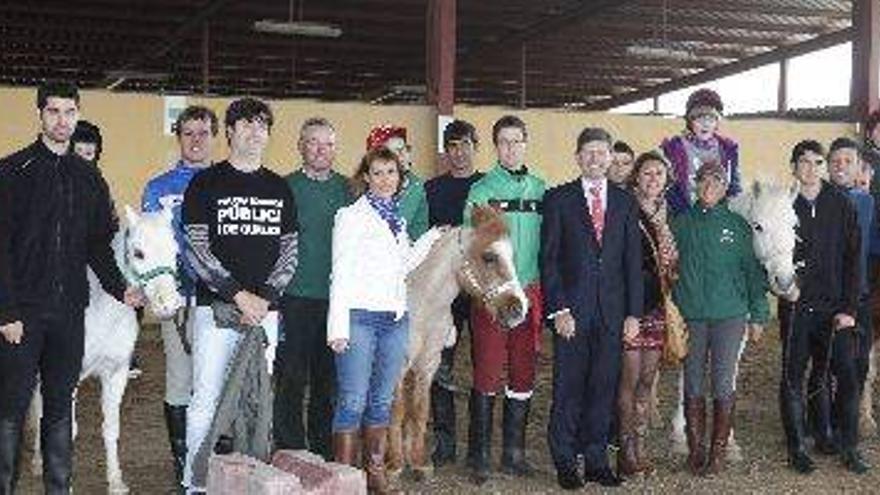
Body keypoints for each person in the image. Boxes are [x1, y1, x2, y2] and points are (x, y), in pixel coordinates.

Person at [0, 82, 142, 494]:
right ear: (40, 115)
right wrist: (6, 311)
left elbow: (98, 245)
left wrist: (120, 290)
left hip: (69, 314)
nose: (62, 120)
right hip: (22, 315)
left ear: (77, 114)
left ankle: (58, 489)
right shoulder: (12, 172)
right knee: (11, 410)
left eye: (69, 112)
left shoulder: (89, 179)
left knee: (60, 409)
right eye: (53, 112)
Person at [181, 98, 298, 493]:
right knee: (206, 401)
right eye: (246, 124)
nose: (254, 131)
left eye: (262, 125)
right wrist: (237, 295)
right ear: (229, 132)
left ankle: (249, 481)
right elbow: (196, 248)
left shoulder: (279, 187)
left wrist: (264, 298)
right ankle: (195, 483)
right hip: (215, 310)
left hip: (265, 313)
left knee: (255, 401)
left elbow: (289, 251)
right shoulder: (205, 183)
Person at [327, 147, 443, 493]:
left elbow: (404, 264)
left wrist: (431, 238)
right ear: (366, 177)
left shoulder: (397, 220)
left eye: (391, 173)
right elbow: (341, 272)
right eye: (377, 173)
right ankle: (344, 478)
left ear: (399, 178)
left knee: (381, 400)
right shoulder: (349, 216)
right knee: (352, 399)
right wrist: (338, 327)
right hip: (359, 319)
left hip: (394, 320)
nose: (384, 179)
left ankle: (374, 472)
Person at [541, 127, 643, 489]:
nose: (596, 158)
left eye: (602, 152)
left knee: (603, 387)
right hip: (572, 313)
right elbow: (549, 260)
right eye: (588, 152)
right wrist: (559, 309)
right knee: (568, 388)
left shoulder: (625, 202)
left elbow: (633, 261)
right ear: (578, 157)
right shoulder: (558, 199)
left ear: (610, 157)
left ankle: (597, 458)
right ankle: (566, 460)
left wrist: (633, 313)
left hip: (613, 314)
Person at [464, 115, 546, 485]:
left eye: (517, 141)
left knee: (524, 370)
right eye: (504, 142)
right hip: (494, 296)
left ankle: (513, 454)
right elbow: (472, 248)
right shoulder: (481, 192)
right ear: (495, 147)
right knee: (487, 369)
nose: (510, 148)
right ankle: (479, 454)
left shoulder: (542, 189)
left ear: (526, 143)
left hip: (530, 290)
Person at [672, 162, 768, 476]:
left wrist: (759, 313)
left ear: (725, 187)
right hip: (692, 317)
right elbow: (668, 271)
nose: (709, 186)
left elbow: (752, 273)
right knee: (694, 381)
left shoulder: (738, 226)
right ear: (695, 185)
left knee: (724, 382)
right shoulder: (681, 224)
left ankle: (718, 452)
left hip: (729, 315)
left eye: (716, 181)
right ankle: (696, 449)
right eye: (704, 181)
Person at [778, 140, 868, 475]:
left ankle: (849, 445)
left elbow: (853, 259)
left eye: (818, 161)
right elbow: (771, 255)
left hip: (836, 312)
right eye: (803, 161)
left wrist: (850, 309)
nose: (811, 168)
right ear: (793, 166)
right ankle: (797, 446)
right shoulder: (783, 206)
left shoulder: (841, 204)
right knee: (793, 377)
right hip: (798, 308)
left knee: (845, 375)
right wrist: (784, 289)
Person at [141, 105, 219, 484]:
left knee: (217, 379)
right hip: (180, 301)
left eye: (203, 132)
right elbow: (147, 246)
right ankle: (182, 462)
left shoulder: (228, 182)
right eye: (189, 132)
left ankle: (217, 461)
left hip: (222, 301)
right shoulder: (158, 188)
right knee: (179, 378)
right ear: (178, 136)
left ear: (215, 136)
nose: (196, 140)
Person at [274, 117, 350, 460]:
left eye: (328, 144)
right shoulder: (283, 187)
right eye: (313, 142)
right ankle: (289, 447)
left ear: (335, 149)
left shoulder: (350, 190)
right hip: (294, 297)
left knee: (328, 381)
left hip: (336, 300)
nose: (321, 149)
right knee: (291, 376)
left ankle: (322, 449)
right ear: (300, 146)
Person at [807, 137, 875, 452]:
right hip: (823, 299)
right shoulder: (814, 200)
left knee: (854, 367)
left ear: (861, 167)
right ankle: (821, 431)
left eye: (848, 160)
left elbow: (871, 251)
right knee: (821, 367)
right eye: (835, 160)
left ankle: (848, 439)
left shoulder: (867, 202)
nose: (841, 165)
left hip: (856, 297)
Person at [423, 119, 484, 467]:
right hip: (443, 293)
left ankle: (478, 445)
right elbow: (423, 239)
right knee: (440, 367)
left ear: (476, 146)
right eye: (453, 147)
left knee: (483, 365)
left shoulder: (487, 186)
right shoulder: (433, 190)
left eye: (465, 145)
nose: (460, 153)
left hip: (478, 291)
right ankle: (445, 441)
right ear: (447, 151)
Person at [616, 150, 678, 477]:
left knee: (646, 381)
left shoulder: (668, 214)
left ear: (667, 179)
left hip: (658, 307)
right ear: (636, 178)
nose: (653, 179)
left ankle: (640, 446)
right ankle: (625, 451)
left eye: (659, 173)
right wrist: (629, 310)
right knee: (628, 379)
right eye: (647, 173)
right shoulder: (626, 210)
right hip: (631, 308)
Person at [660, 88, 741, 216]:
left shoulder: (728, 149)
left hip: (716, 217)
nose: (706, 124)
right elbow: (665, 187)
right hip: (682, 216)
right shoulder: (674, 148)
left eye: (711, 118)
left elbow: (734, 188)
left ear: (717, 123)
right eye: (699, 118)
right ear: (690, 121)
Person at [366, 125, 429, 240]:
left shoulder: (417, 186)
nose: (402, 155)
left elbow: (419, 231)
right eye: (394, 152)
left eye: (404, 149)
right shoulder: (366, 193)